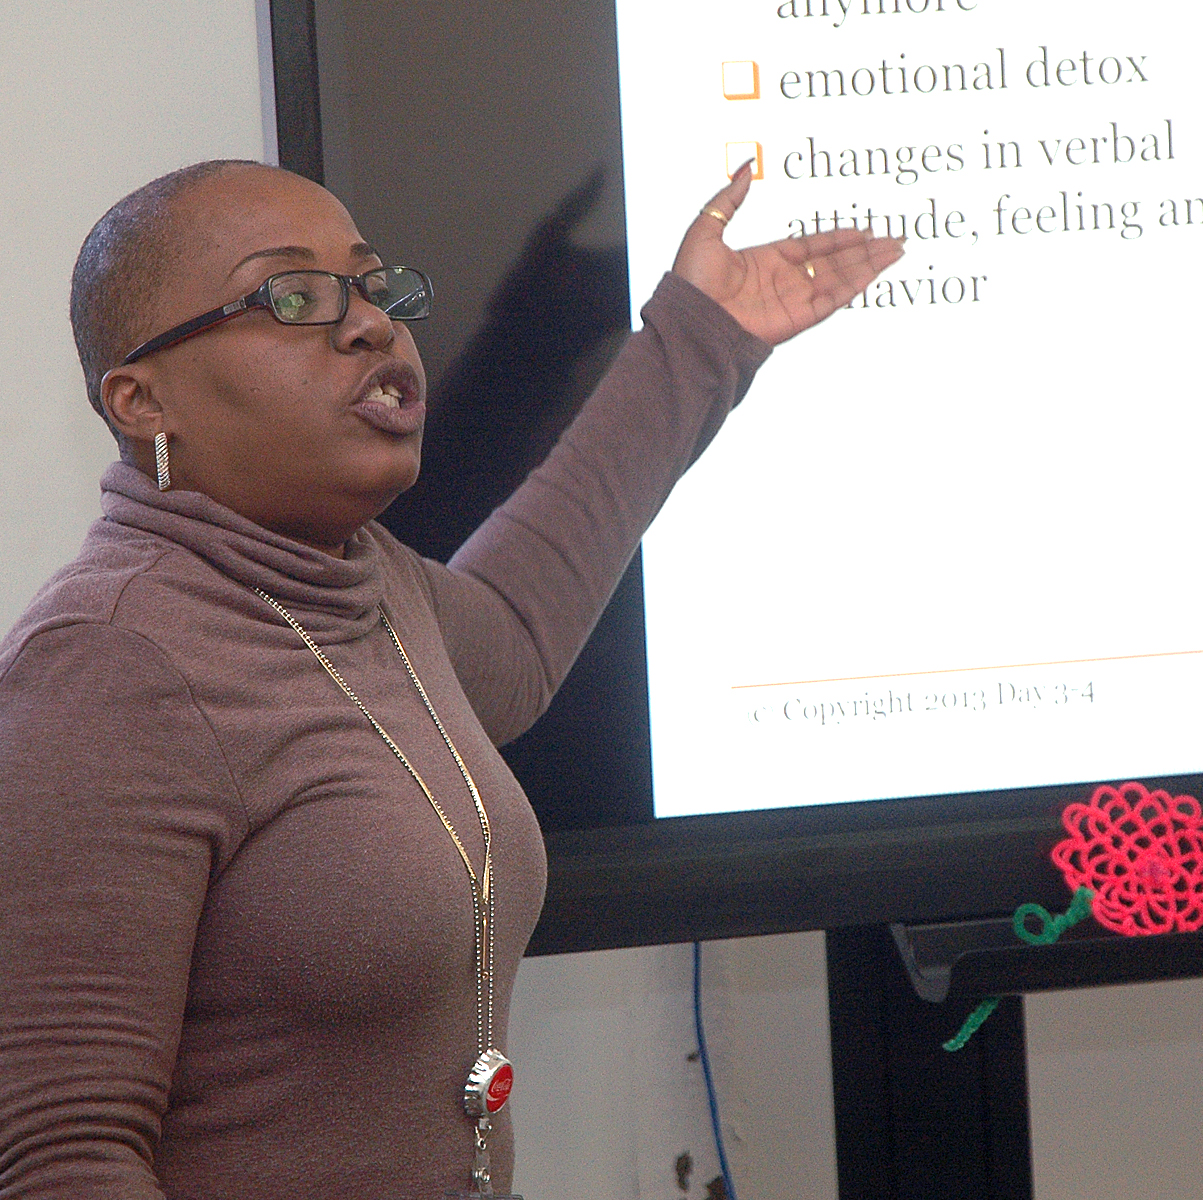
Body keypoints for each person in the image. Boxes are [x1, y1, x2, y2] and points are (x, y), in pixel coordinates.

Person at [0, 158, 902, 1200]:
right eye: (292, 296)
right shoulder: (106, 667)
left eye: (377, 288)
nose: (371, 326)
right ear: (143, 398)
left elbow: (518, 626)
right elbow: (58, 1156)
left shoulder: (359, 584)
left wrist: (702, 333)